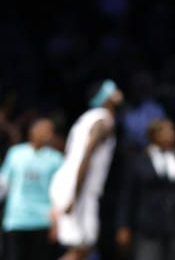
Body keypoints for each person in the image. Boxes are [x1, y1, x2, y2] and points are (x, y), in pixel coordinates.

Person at [49, 79, 123, 260]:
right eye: (114, 90)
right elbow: (86, 156)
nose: (118, 93)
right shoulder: (103, 122)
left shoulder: (87, 118)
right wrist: (74, 195)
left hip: (74, 184)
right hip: (79, 186)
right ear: (107, 96)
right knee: (82, 246)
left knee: (84, 248)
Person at [116, 119, 175, 260]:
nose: (168, 135)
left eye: (171, 130)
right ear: (152, 135)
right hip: (148, 228)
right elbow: (128, 196)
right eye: (162, 131)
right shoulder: (139, 160)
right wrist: (123, 225)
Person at [0, 117, 63, 260]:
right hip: (17, 218)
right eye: (44, 129)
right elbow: (2, 181)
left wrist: (56, 222)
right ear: (32, 131)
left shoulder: (56, 159)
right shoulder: (15, 153)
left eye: (50, 130)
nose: (48, 134)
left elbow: (60, 192)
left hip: (42, 220)